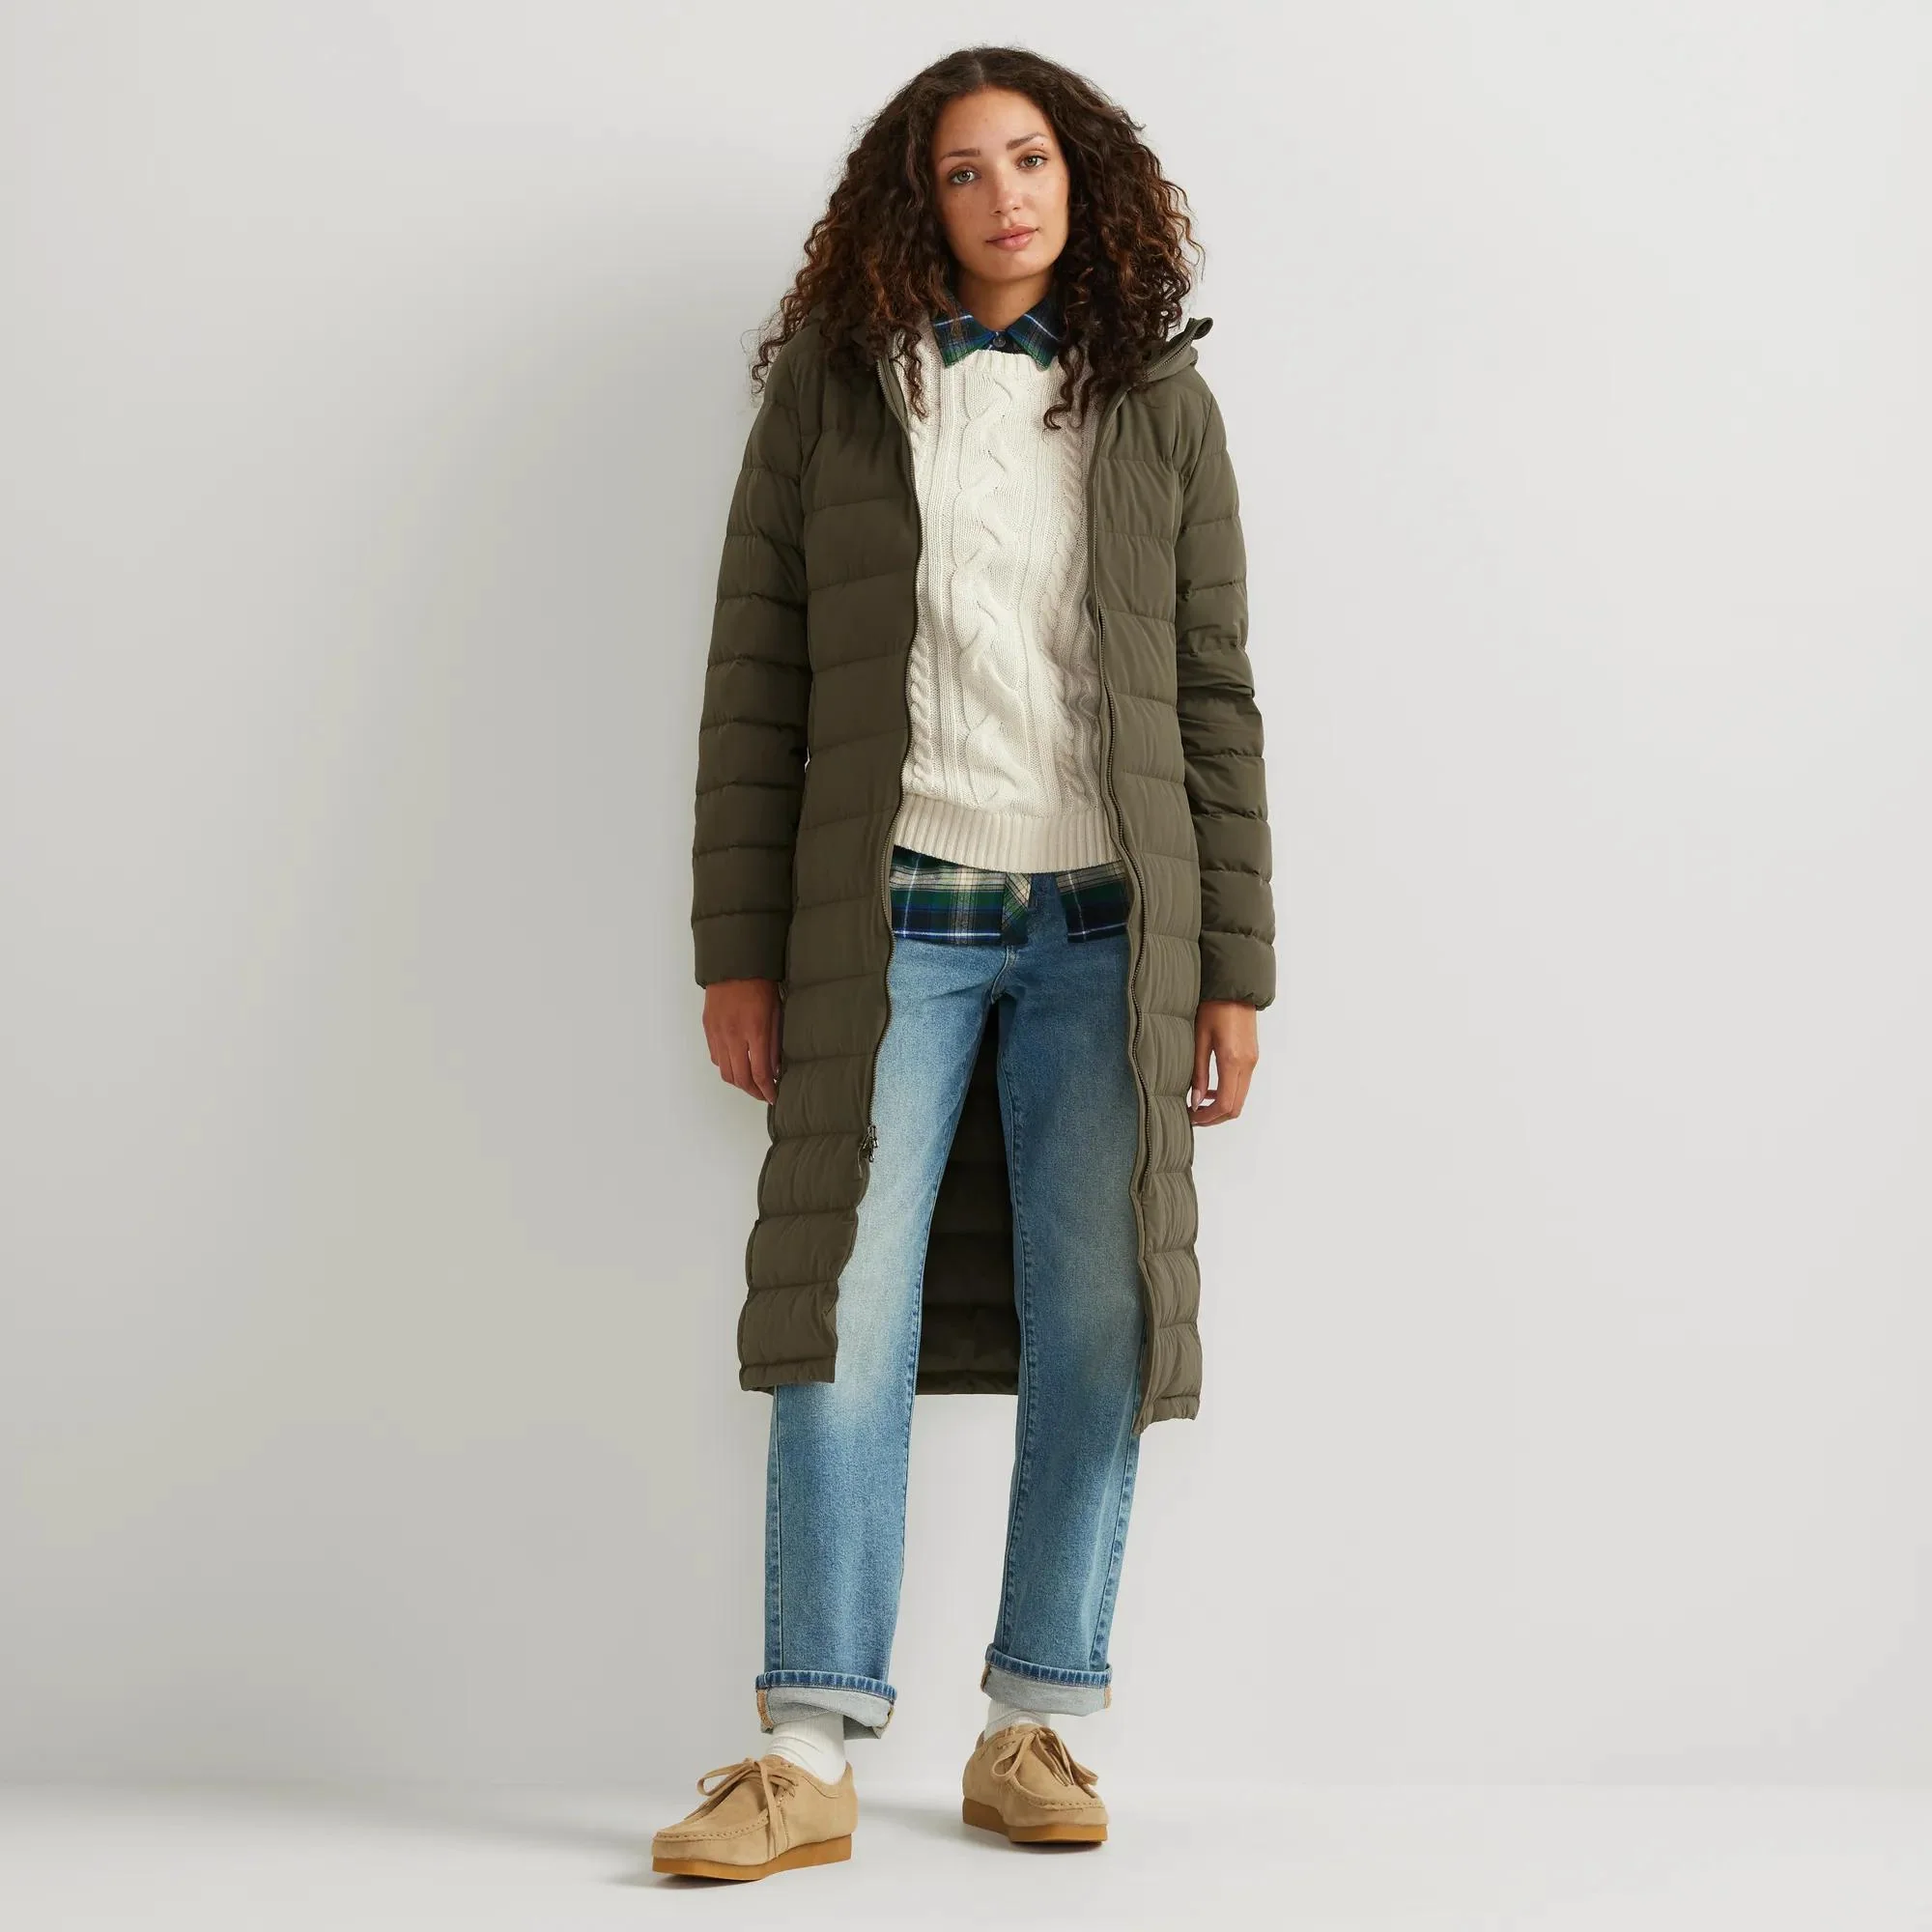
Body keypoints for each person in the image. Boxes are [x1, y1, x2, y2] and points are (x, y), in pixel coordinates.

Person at [656, 45, 1276, 1883]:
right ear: (912, 202)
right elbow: (756, 678)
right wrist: (736, 950)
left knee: (1104, 1315)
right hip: (892, 920)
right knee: (839, 1312)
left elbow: (1214, 698)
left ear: (1085, 180)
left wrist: (1234, 970)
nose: (1006, 195)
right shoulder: (838, 394)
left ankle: (1035, 1723)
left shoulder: (1159, 403)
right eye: (962, 169)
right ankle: (808, 1747)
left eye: (1031, 159)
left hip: (1110, 930)